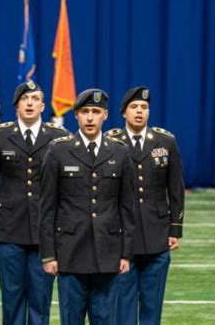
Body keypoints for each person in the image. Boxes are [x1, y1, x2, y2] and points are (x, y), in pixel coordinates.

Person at [39, 88, 136, 325]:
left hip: (108, 253)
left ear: (105, 115)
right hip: (69, 253)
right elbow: (47, 207)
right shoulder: (58, 150)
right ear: (76, 116)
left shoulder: (120, 152)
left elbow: (127, 208)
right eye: (85, 112)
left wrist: (126, 253)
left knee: (105, 319)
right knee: (71, 319)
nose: (90, 117)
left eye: (95, 111)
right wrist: (49, 254)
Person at [0, 80, 69, 325]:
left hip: (46, 230)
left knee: (41, 299)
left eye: (35, 99)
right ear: (16, 105)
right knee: (12, 297)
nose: (29, 103)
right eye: (24, 99)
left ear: (42, 105)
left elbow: (68, 188)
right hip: (8, 228)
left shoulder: (59, 137)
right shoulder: (0, 135)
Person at [105, 86, 185, 324]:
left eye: (144, 107)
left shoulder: (165, 141)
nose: (139, 112)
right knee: (123, 306)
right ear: (123, 113)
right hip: (121, 237)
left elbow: (176, 188)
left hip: (157, 234)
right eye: (134, 107)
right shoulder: (111, 142)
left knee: (153, 306)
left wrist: (175, 228)